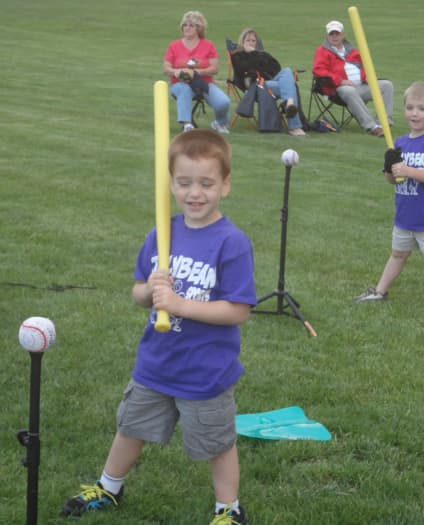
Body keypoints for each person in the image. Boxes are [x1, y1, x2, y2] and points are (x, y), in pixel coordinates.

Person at [61, 129, 256, 525]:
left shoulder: (231, 242)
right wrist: (149, 291)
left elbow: (237, 310)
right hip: (155, 363)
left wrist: (181, 305)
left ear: (225, 185)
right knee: (130, 427)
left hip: (205, 371)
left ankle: (227, 510)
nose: (194, 193)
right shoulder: (161, 234)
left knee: (217, 443)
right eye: (184, 183)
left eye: (206, 183)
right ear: (170, 184)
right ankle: (109, 487)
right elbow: (136, 292)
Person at [353, 81, 424, 322]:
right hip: (405, 217)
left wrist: (409, 169)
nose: (415, 113)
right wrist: (389, 168)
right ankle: (380, 291)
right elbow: (393, 181)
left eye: (422, 109)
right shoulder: (400, 143)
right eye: (410, 107)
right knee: (398, 254)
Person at [312, 20, 394, 136]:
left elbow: (364, 66)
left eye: (337, 33)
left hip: (361, 86)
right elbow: (318, 70)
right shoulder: (322, 51)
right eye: (331, 34)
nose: (334, 36)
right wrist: (340, 81)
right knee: (348, 90)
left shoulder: (352, 50)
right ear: (327, 36)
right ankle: (372, 127)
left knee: (386, 85)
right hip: (338, 89)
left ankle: (384, 123)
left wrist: (367, 77)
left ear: (343, 35)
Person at [164, 11, 232, 134]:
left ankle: (220, 123)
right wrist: (177, 72)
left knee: (224, 102)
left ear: (199, 28)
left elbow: (214, 68)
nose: (187, 28)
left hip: (203, 83)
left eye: (191, 25)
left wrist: (196, 73)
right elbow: (166, 68)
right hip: (179, 83)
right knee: (184, 89)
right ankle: (187, 124)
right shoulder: (174, 46)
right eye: (185, 25)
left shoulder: (208, 45)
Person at [233, 28, 306, 136]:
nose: (251, 43)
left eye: (253, 40)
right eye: (248, 40)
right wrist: (253, 54)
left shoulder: (262, 54)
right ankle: (294, 126)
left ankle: (289, 103)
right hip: (258, 87)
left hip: (271, 83)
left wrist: (257, 54)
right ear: (242, 42)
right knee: (291, 87)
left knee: (287, 71)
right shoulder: (238, 56)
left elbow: (276, 68)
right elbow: (243, 70)